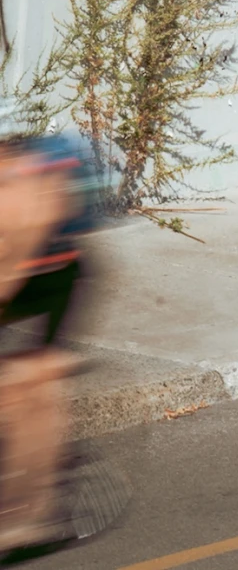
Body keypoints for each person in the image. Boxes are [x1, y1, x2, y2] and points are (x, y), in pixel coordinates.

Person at [0, 100, 96, 552]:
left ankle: (32, 519)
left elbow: (10, 270)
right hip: (18, 278)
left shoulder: (30, 190)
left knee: (32, 382)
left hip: (53, 282)